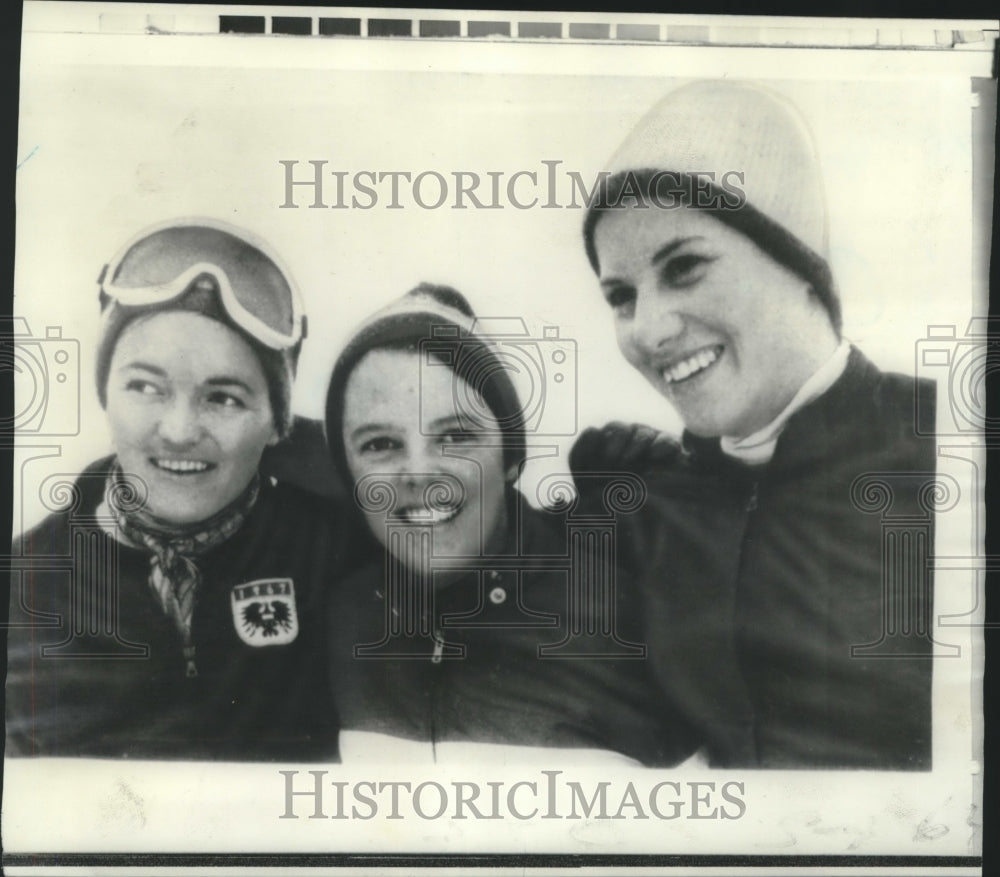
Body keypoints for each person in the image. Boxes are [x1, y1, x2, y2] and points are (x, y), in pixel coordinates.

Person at [571, 80, 937, 769]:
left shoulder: (944, 451)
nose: (648, 328)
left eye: (685, 268)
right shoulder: (646, 510)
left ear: (801, 265)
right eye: (621, 296)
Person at [5, 219, 357, 760]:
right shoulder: (28, 584)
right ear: (105, 393)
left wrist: (348, 462)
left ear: (276, 422)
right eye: (145, 387)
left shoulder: (333, 549)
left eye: (225, 398)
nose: (178, 430)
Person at [323, 284, 694, 765]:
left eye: (456, 436)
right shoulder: (344, 611)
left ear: (510, 458)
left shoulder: (626, 602)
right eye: (379, 444)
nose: (418, 474)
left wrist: (687, 490)